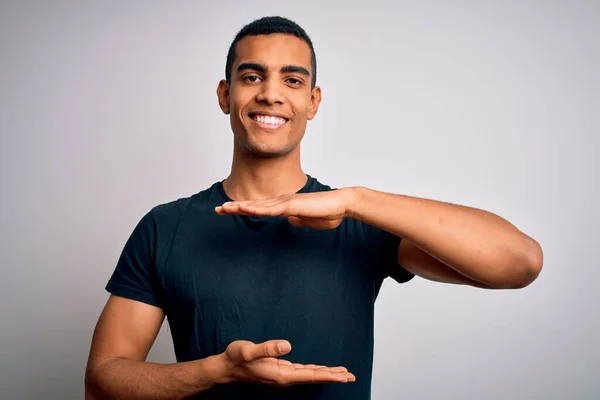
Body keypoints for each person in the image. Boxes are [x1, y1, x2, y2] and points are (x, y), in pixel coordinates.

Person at [84, 16, 543, 400]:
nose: (270, 94)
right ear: (226, 95)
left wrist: (355, 200)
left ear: (312, 101)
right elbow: (102, 381)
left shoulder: (360, 222)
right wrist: (218, 370)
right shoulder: (166, 227)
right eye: (251, 76)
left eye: (292, 79)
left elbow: (520, 262)